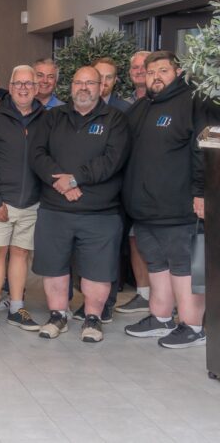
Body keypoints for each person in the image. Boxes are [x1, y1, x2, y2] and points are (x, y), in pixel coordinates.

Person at [30, 66, 130, 343]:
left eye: (90, 83)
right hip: (54, 207)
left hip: (100, 211)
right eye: (78, 82)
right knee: (54, 267)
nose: (83, 88)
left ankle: (93, 318)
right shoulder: (53, 117)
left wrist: (74, 180)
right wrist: (60, 183)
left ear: (101, 87)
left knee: (97, 270)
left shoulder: (116, 119)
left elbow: (113, 160)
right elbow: (37, 154)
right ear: (70, 86)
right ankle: (57, 316)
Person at [122, 51, 209, 348]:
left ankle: (194, 326)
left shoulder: (193, 102)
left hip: (179, 207)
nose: (156, 76)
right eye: (151, 72)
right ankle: (160, 319)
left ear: (179, 71)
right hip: (145, 210)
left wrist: (201, 191)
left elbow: (204, 150)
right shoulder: (140, 108)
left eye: (163, 70)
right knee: (156, 263)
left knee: (183, 266)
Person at [0, 65, 45, 335]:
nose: (23, 88)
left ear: (36, 88)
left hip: (32, 203)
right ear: (10, 88)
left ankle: (16, 308)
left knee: (20, 255)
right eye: (18, 84)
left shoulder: (46, 118)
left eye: (29, 84)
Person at [118, 50, 153, 313]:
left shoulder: (161, 102)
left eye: (146, 67)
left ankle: (166, 297)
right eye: (135, 68)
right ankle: (143, 293)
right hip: (128, 184)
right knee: (134, 238)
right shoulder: (125, 104)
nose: (139, 71)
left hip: (155, 185)